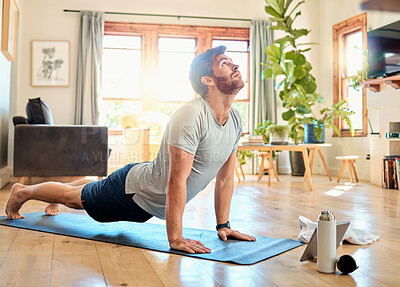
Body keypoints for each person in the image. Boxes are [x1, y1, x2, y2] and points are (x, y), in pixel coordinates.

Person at [5, 45, 256, 254]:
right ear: (208, 80)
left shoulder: (235, 120)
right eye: (225, 63)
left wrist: (223, 224)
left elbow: (224, 179)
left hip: (145, 197)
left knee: (87, 189)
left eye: (233, 62)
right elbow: (176, 179)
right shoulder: (191, 114)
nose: (235, 65)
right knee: (75, 199)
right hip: (131, 193)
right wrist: (175, 238)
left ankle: (56, 193)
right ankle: (23, 192)